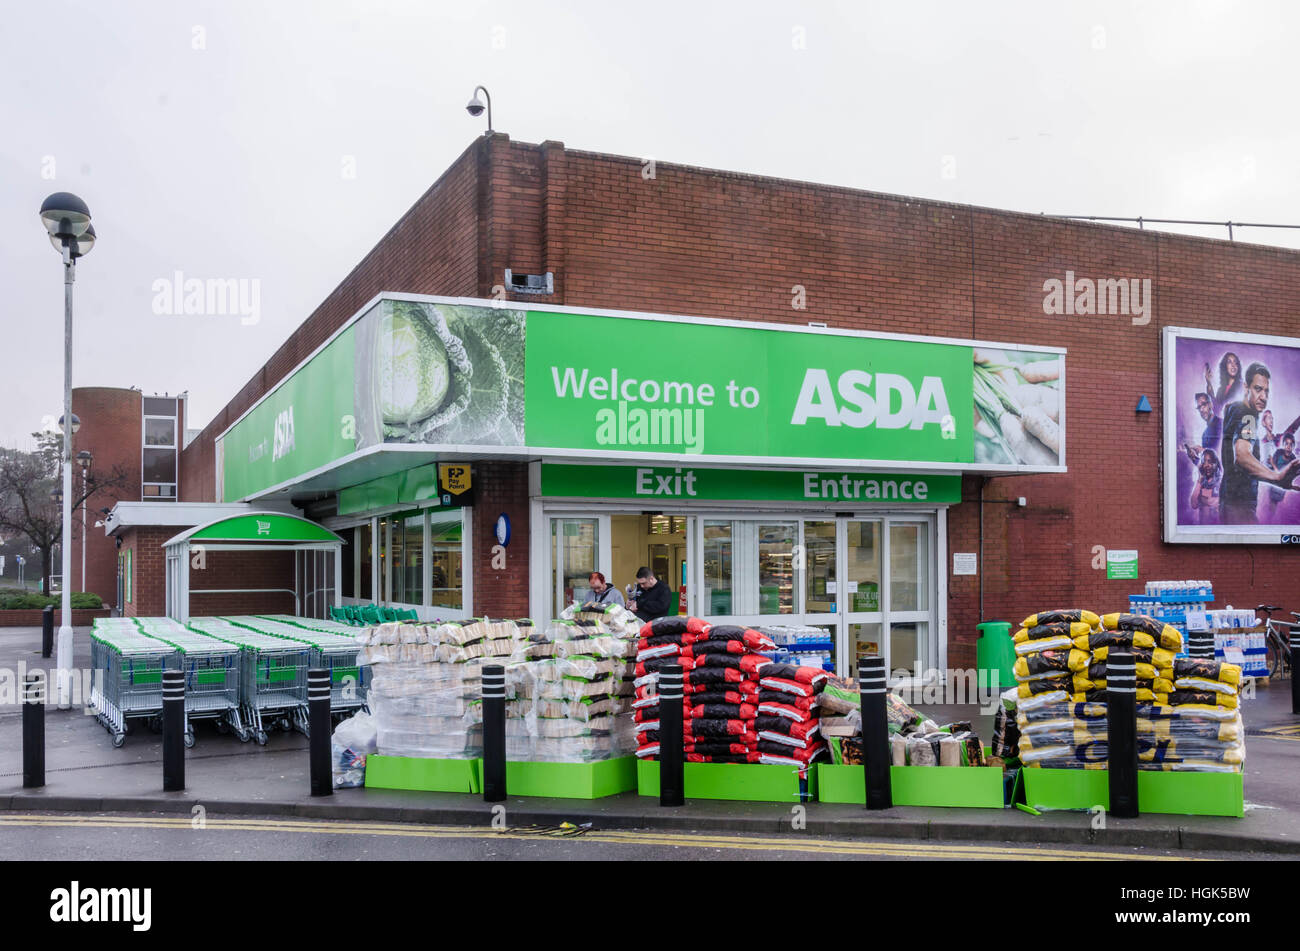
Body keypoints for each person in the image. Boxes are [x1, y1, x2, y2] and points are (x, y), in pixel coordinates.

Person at [1219, 362, 1300, 525]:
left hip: (1229, 499)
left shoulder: (1234, 408)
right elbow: (1242, 456)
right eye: (1258, 389)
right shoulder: (1248, 414)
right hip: (1239, 504)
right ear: (1246, 387)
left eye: (1266, 391)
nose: (1264, 397)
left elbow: (1243, 466)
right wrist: (1276, 477)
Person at [1183, 391, 1222, 464]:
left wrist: (1203, 451)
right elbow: (1208, 466)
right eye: (1199, 407)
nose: (1201, 410)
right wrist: (1194, 458)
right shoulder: (1205, 434)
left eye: (1203, 405)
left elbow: (1221, 458)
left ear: (1210, 405)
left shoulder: (1221, 424)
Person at [1188, 448, 1221, 524]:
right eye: (1204, 462)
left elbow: (1214, 502)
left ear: (1215, 463)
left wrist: (1202, 499)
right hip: (1203, 528)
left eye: (1210, 462)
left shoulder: (1220, 482)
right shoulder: (1201, 481)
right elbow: (1193, 504)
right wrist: (1200, 480)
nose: (1206, 465)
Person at [1268, 433, 1298, 516]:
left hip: (1282, 485)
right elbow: (1272, 465)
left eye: (1291, 445)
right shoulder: (1278, 453)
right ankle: (1270, 516)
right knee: (1271, 501)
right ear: (1283, 445)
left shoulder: (1293, 458)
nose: (1288, 447)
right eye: (1286, 444)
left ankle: (1272, 517)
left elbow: (1291, 475)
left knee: (1276, 502)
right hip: (1273, 482)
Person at [1206, 352, 1243, 416]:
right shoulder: (1221, 389)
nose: (1233, 365)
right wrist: (1208, 382)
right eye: (1229, 362)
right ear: (1224, 366)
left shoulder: (1241, 387)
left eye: (1235, 362)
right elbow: (1215, 407)